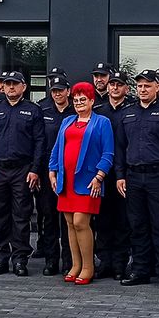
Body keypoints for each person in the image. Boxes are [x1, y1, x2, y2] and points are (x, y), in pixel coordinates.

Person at [112, 70, 159, 291]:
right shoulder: (127, 113)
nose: (143, 90)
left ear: (157, 88)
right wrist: (120, 176)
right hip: (133, 177)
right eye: (140, 86)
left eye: (147, 86)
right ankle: (140, 270)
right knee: (137, 226)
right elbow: (120, 148)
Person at [49, 82, 114, 286]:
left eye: (82, 100)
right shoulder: (67, 121)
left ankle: (88, 267)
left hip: (88, 181)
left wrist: (100, 176)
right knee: (69, 223)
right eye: (75, 100)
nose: (78, 103)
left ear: (92, 101)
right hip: (65, 180)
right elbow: (57, 147)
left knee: (80, 222)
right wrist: (52, 171)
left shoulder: (102, 122)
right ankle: (75, 265)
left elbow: (108, 153)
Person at [0, 70, 45, 276]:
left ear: (23, 87)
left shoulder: (33, 110)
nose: (10, 87)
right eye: (7, 84)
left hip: (22, 170)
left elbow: (39, 142)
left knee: (21, 216)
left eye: (15, 84)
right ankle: (0, 257)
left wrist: (35, 170)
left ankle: (20, 259)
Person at [92, 69, 132, 280]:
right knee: (103, 220)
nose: (114, 88)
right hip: (102, 174)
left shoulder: (132, 110)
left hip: (125, 174)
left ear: (126, 88)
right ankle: (104, 262)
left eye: (119, 84)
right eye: (112, 84)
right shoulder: (98, 111)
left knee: (122, 221)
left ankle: (119, 264)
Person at [36, 75, 72, 276]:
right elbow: (39, 142)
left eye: (61, 90)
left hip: (70, 173)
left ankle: (69, 260)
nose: (57, 93)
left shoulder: (75, 111)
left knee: (68, 220)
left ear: (68, 91)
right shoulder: (44, 111)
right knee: (49, 217)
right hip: (48, 172)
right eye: (54, 90)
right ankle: (51, 260)